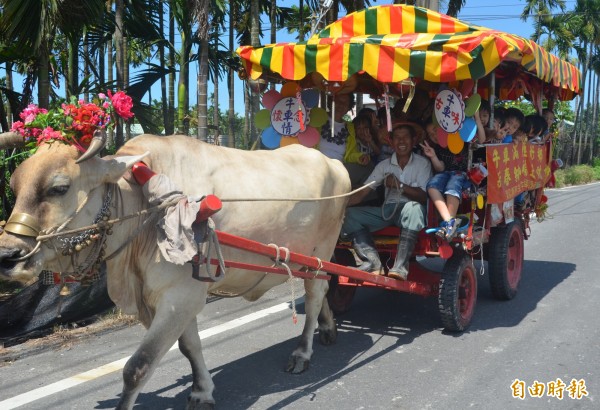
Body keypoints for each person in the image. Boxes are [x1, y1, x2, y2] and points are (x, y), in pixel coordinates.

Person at [340, 124, 432, 280]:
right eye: (397, 137)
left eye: (406, 137)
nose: (401, 141)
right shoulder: (383, 166)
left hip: (410, 212)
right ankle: (372, 263)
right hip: (387, 211)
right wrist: (337, 206)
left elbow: (424, 197)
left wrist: (400, 186)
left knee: (414, 208)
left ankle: (400, 267)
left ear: (413, 140)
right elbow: (363, 192)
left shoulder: (423, 164)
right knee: (348, 215)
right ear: (391, 142)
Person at [421, 110, 486, 240]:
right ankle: (450, 222)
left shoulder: (462, 137)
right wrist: (433, 156)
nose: (433, 134)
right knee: (432, 186)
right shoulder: (438, 147)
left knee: (452, 185)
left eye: (435, 130)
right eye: (430, 133)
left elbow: (482, 139)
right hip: (446, 173)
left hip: (463, 174)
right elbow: (441, 168)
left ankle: (449, 226)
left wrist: (477, 118)